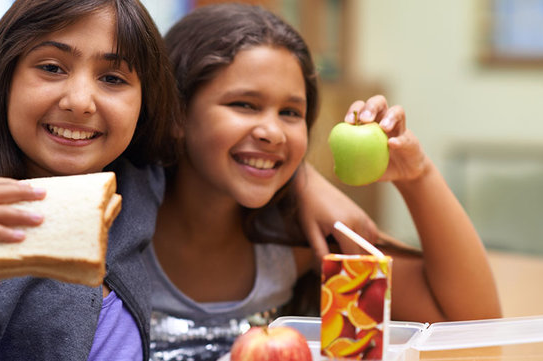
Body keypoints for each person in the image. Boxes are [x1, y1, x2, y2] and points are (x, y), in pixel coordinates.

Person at [144, 3, 501, 360]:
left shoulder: (301, 241)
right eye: (244, 104)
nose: (273, 132)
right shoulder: (115, 221)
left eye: (290, 113)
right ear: (176, 114)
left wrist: (417, 174)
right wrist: (304, 177)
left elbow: (475, 333)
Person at [0, 0, 181, 360]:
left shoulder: (138, 191)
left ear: (145, 103)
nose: (80, 102)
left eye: (113, 78)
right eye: (52, 68)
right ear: (3, 80)